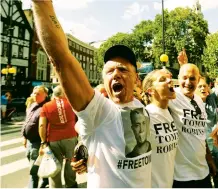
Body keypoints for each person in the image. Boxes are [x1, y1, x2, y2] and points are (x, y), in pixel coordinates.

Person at [32, 2, 151, 187]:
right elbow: (61, 60)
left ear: (136, 79)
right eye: (109, 71)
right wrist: (42, 3)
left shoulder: (142, 107)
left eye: (123, 69)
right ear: (103, 80)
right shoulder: (99, 111)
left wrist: (85, 146)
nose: (116, 74)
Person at [168, 63, 216, 188]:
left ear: (198, 80)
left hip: (202, 172)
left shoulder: (199, 100)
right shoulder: (172, 96)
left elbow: (200, 133)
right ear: (178, 78)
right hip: (181, 176)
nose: (188, 82)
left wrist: (209, 159)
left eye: (192, 78)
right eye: (184, 78)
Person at [142, 69, 179, 187]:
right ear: (151, 91)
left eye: (169, 78)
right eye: (163, 80)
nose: (170, 80)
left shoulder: (169, 112)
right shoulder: (145, 115)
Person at [38, 86, 78, 188]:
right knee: (70, 162)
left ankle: (56, 187)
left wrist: (43, 141)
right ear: (63, 93)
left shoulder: (46, 106)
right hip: (70, 137)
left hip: (53, 139)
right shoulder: (72, 103)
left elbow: (42, 125)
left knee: (55, 163)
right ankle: (71, 184)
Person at [196, 76, 218, 188]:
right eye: (199, 86)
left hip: (215, 146)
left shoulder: (212, 99)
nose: (203, 88)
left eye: (205, 85)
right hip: (200, 147)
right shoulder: (190, 103)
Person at [21, 86, 49, 188]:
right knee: (30, 158)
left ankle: (33, 186)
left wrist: (44, 142)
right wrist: (23, 136)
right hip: (29, 141)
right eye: (34, 93)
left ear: (45, 95)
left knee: (33, 168)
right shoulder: (32, 105)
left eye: (38, 93)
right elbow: (26, 121)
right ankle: (46, 179)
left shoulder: (46, 107)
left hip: (38, 141)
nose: (35, 95)